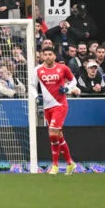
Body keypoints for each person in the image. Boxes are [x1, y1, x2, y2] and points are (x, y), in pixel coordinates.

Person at [36, 45, 78, 173]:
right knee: (58, 135)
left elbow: (73, 81)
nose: (48, 57)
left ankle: (55, 165)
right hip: (47, 106)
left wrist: (68, 89)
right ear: (42, 56)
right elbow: (32, 85)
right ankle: (70, 163)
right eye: (45, 54)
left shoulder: (62, 68)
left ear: (54, 56)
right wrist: (36, 97)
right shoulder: (37, 70)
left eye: (50, 54)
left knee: (52, 133)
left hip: (60, 105)